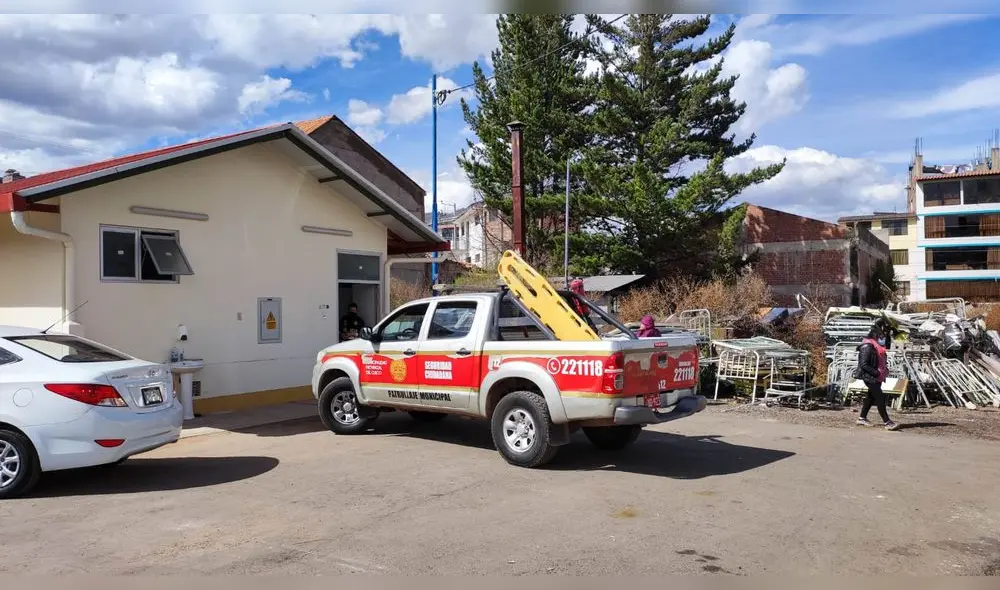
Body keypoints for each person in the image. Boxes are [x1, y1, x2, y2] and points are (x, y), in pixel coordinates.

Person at [855, 320, 899, 431]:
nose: (882, 338)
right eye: (881, 336)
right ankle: (887, 422)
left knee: (870, 397)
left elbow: (885, 349)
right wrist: (876, 373)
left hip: (877, 376)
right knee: (880, 397)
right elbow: (863, 364)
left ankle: (862, 418)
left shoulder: (877, 346)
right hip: (869, 376)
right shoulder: (867, 346)